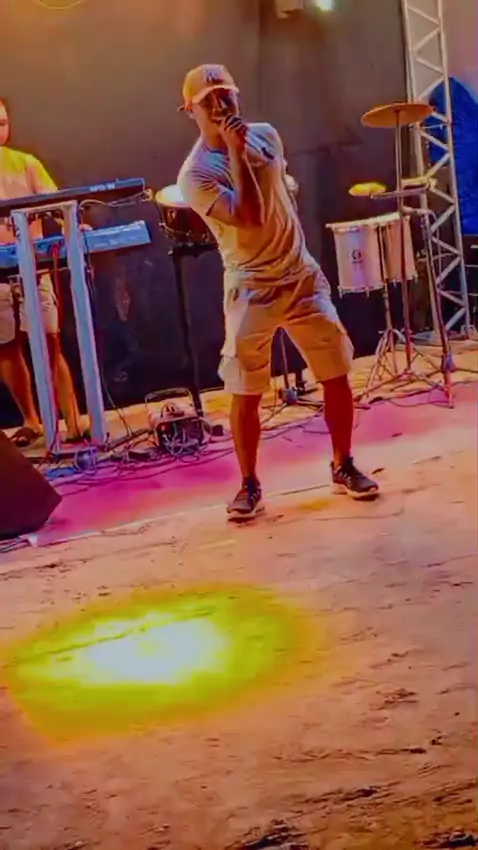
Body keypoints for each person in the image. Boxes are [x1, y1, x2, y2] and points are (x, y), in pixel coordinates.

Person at [177, 64, 379, 519]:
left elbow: (280, 192)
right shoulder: (196, 174)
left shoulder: (267, 135)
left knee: (335, 371)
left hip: (299, 273)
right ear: (191, 110)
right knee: (246, 388)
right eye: (209, 100)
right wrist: (235, 150)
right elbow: (249, 217)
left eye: (226, 94)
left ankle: (343, 464)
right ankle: (249, 484)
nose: (220, 105)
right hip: (251, 284)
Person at [0, 98, 87, 447]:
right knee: (6, 346)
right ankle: (31, 420)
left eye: (3, 123)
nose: (0, 130)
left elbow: (56, 204)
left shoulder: (25, 163)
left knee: (50, 340)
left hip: (33, 266)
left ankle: (72, 420)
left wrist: (72, 227)